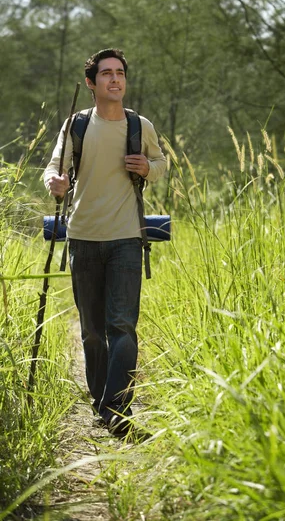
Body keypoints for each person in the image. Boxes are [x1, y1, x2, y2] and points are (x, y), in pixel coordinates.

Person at [44, 48, 167, 437]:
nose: (115, 79)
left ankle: (119, 408)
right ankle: (102, 404)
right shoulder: (75, 125)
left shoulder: (138, 125)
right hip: (83, 238)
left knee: (122, 325)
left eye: (120, 73)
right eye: (107, 74)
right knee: (92, 331)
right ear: (91, 83)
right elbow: (53, 169)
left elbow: (161, 163)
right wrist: (56, 184)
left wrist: (149, 167)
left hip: (127, 239)